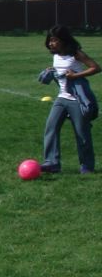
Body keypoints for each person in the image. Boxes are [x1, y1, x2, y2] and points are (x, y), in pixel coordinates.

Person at [41, 25, 99, 174]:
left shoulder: (75, 54)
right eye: (50, 40)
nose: (51, 43)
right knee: (51, 128)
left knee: (82, 133)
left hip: (76, 100)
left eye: (54, 40)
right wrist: (51, 71)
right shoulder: (55, 55)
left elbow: (95, 67)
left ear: (64, 40)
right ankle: (52, 163)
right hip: (61, 98)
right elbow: (61, 74)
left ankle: (87, 166)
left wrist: (76, 76)